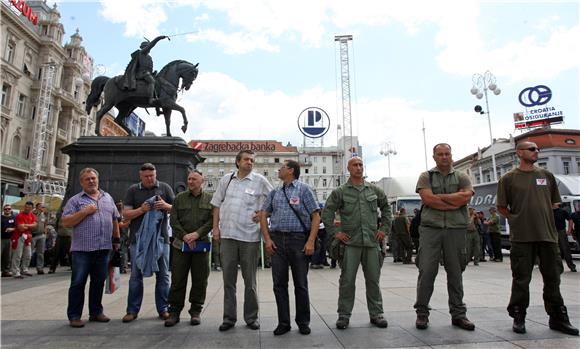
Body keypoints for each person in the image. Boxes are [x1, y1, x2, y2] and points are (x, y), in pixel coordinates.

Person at [497, 141, 579, 336]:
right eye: (532, 149)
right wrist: (516, 219)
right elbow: (502, 207)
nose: (536, 152)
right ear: (519, 153)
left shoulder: (546, 176)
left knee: (553, 277)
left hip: (548, 236)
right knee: (521, 278)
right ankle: (519, 316)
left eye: (537, 149)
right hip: (522, 237)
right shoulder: (508, 179)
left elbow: (554, 203)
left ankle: (558, 317)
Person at [321, 157, 391, 330]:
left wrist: (384, 229)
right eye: (355, 165)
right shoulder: (341, 191)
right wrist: (336, 233)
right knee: (347, 281)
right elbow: (327, 212)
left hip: (371, 242)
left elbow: (387, 208)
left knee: (373, 280)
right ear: (348, 168)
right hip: (350, 244)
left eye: (361, 165)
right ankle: (344, 315)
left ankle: (376, 314)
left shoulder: (374, 190)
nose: (359, 168)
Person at [414, 143, 475, 331]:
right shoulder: (426, 176)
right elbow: (428, 199)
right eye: (440, 154)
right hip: (431, 229)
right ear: (434, 157)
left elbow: (466, 198)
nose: (444, 157)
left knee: (456, 273)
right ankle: (422, 313)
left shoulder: (462, 176)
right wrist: (453, 201)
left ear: (451, 155)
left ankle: (458, 314)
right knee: (427, 272)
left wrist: (440, 200)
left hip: (456, 229)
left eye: (447, 153)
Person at [210, 150, 273, 332]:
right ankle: (229, 318)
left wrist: (262, 213)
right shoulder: (226, 180)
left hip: (249, 237)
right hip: (228, 236)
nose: (250, 162)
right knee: (228, 280)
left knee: (250, 281)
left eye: (252, 160)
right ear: (237, 162)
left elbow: (275, 199)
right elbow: (216, 205)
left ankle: (251, 317)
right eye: (246, 159)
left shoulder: (260, 180)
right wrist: (215, 228)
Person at [260, 160, 320, 336]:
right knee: (279, 284)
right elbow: (264, 214)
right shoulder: (275, 192)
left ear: (291, 171)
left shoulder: (304, 189)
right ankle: (283, 323)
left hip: (298, 240)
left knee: (301, 284)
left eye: (282, 167)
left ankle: (303, 322)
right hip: (277, 240)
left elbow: (315, 216)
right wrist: (267, 239)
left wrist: (310, 241)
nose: (279, 169)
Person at [61, 168, 120, 328]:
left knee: (98, 281)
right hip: (82, 250)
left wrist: (116, 239)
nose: (91, 181)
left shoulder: (107, 197)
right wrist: (84, 212)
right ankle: (74, 315)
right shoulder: (75, 200)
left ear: (98, 179)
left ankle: (96, 312)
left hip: (103, 248)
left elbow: (114, 219)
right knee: (78, 283)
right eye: (87, 179)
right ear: (81, 182)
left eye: (93, 178)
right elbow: (66, 222)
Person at [122, 163, 174, 323]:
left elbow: (177, 209)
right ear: (140, 176)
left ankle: (164, 308)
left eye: (152, 175)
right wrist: (141, 210)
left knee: (163, 275)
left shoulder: (165, 188)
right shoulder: (133, 190)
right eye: (146, 176)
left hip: (161, 239)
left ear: (156, 174)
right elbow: (126, 213)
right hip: (138, 240)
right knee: (136, 276)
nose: (150, 179)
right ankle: (132, 310)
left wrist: (165, 206)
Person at [164, 170, 213, 327]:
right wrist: (185, 236)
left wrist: (197, 234)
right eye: (189, 179)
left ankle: (196, 311)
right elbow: (174, 220)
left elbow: (212, 221)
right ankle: (174, 312)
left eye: (194, 179)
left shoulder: (210, 199)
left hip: (201, 245)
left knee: (200, 280)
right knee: (178, 279)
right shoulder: (179, 198)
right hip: (181, 246)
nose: (190, 182)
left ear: (202, 181)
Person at [121, 35, 168, 105]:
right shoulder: (141, 53)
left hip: (147, 73)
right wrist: (159, 38)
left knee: (158, 82)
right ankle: (150, 99)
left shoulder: (149, 57)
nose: (149, 49)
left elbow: (149, 68)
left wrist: (153, 72)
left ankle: (157, 105)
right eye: (147, 47)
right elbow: (152, 45)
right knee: (152, 81)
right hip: (141, 73)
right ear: (144, 47)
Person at [11, 201, 36, 279]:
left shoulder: (31, 215)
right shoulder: (20, 215)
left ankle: (24, 269)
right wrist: (30, 226)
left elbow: (35, 225)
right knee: (18, 255)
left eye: (29, 207)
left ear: (32, 208)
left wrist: (26, 225)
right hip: (19, 236)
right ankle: (15, 272)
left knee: (28, 255)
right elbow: (21, 228)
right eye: (26, 207)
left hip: (27, 237)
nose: (27, 208)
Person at [553, 204, 576, 272]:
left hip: (561, 231)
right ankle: (558, 268)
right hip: (552, 231)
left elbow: (570, 219)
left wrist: (569, 230)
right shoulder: (549, 211)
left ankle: (571, 266)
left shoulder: (562, 211)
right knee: (555, 250)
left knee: (565, 249)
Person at [31, 203, 48, 274]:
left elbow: (45, 225)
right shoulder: (32, 214)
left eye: (44, 207)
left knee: (40, 253)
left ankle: (40, 268)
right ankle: (24, 268)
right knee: (29, 252)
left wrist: (45, 233)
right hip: (33, 235)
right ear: (37, 207)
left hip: (41, 235)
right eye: (42, 207)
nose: (43, 208)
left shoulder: (44, 215)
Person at [1, 204, 17, 277]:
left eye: (9, 209)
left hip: (9, 239)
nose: (7, 210)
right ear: (3, 210)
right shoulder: (1, 217)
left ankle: (6, 271)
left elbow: (17, 227)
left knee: (7, 256)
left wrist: (12, 229)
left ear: (11, 210)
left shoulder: (14, 218)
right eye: (6, 209)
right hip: (1, 239)